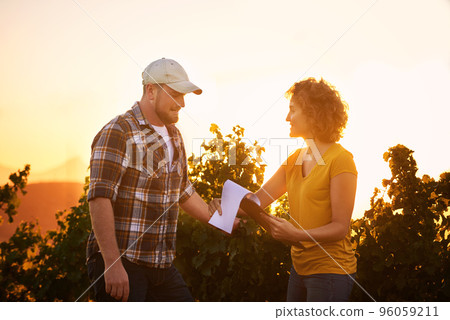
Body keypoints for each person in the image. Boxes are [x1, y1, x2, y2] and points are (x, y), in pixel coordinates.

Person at [86, 58, 238, 302]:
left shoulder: (174, 136)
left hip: (161, 265)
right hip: (124, 262)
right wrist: (112, 263)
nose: (182, 103)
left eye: (184, 95)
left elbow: (183, 192)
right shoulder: (119, 131)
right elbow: (99, 197)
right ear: (151, 91)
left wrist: (224, 220)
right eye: (176, 94)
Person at [210, 77, 358, 302]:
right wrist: (225, 206)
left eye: (292, 110)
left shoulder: (341, 160)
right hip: (299, 270)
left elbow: (340, 227)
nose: (287, 118)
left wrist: (297, 235)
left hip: (330, 272)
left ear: (313, 113)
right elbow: (258, 201)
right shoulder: (295, 160)